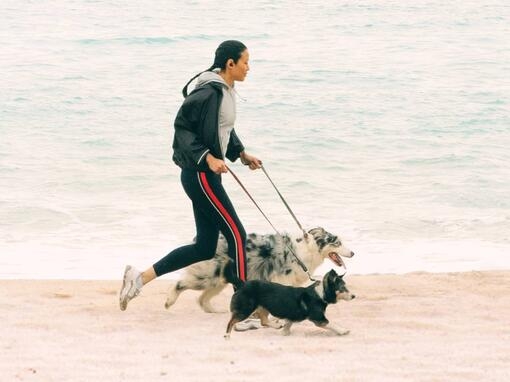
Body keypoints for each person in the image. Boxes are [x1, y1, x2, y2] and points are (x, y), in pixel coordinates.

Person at [119, 40, 262, 311]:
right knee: (236, 234)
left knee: (205, 247)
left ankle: (138, 279)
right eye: (245, 62)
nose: (248, 68)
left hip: (205, 176)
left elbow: (223, 129)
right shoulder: (209, 92)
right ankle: (245, 308)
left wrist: (241, 154)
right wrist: (207, 157)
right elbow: (182, 127)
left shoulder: (226, 91)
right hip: (200, 175)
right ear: (230, 64)